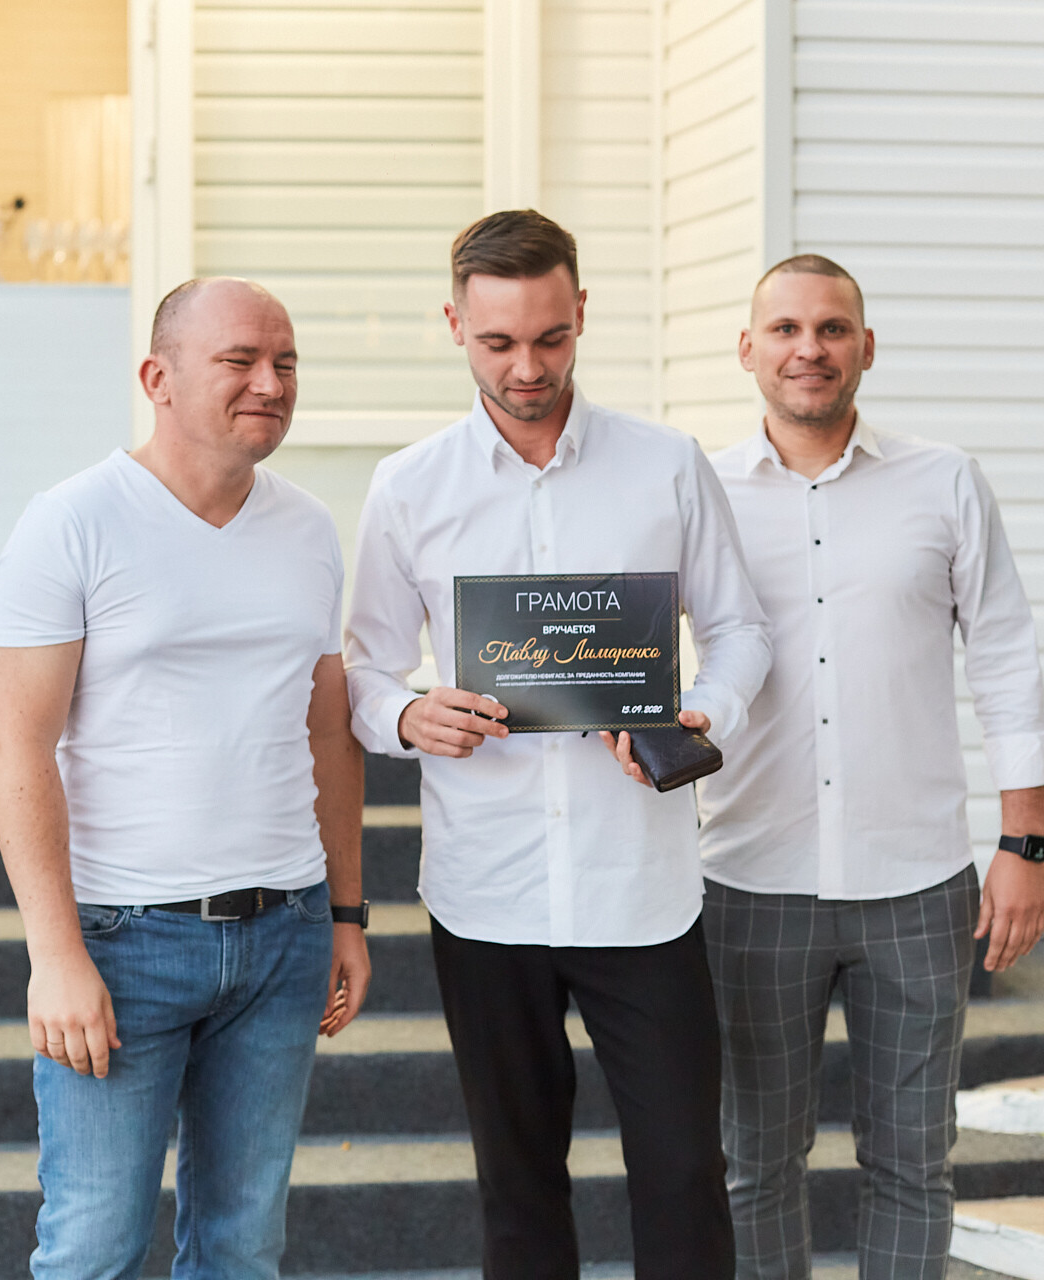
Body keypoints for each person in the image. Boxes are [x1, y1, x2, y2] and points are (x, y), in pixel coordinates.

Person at [343, 210, 771, 1280]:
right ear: (455, 324)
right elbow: (362, 669)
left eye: (551, 337)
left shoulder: (666, 465)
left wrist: (703, 712)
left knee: (685, 1173)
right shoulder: (408, 486)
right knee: (518, 1184)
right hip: (487, 889)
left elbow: (742, 631)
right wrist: (406, 715)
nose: (527, 368)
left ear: (581, 312)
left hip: (642, 886)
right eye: (498, 342)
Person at [0, 277, 373, 1279]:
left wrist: (346, 913)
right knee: (94, 1247)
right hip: (123, 939)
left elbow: (328, 729)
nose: (270, 383)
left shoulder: (308, 527)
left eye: (285, 363)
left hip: (284, 934)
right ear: (157, 377)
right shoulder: (71, 520)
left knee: (244, 1247)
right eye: (240, 360)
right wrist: (55, 953)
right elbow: (14, 744)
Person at [699, 254, 1044, 1279]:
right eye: (785, 329)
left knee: (912, 1163)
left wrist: (1024, 842)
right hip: (751, 880)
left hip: (916, 882)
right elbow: (634, 649)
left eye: (831, 328)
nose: (808, 348)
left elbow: (1004, 656)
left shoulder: (944, 480)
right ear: (748, 348)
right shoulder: (700, 492)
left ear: (866, 347)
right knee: (754, 1164)